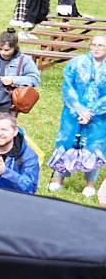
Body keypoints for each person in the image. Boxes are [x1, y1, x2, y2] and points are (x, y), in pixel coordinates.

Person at [48, 33, 106, 197]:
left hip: (99, 117)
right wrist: (79, 108)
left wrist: (92, 112)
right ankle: (59, 179)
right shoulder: (76, 63)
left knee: (95, 146)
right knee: (66, 142)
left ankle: (90, 182)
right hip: (73, 114)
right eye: (94, 44)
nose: (96, 48)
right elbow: (67, 87)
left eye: (101, 45)